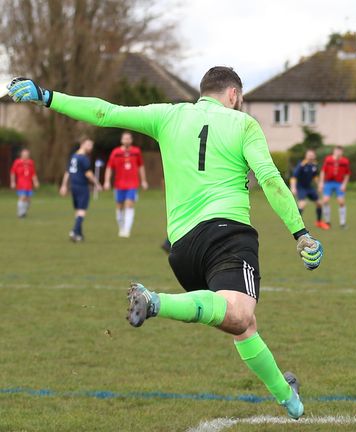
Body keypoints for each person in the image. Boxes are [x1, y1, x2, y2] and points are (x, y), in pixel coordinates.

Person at [8, 67, 324, 420]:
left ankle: (289, 399)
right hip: (227, 235)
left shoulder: (168, 115)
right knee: (239, 314)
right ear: (233, 95)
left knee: (241, 325)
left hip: (183, 250)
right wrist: (301, 233)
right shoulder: (244, 124)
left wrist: (47, 96)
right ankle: (154, 301)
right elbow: (269, 178)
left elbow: (105, 112)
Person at [103, 131, 149, 238]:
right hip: (119, 185)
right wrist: (106, 181)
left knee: (129, 205)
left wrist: (143, 180)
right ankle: (121, 227)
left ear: (131, 140)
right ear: (121, 140)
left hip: (132, 184)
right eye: (125, 138)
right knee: (119, 207)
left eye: (129, 138)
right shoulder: (116, 152)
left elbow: (141, 167)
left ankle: (127, 230)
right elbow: (109, 167)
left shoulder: (136, 152)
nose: (127, 140)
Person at [59, 137, 102, 242]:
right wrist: (97, 183)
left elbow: (67, 172)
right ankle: (74, 231)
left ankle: (79, 235)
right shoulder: (83, 158)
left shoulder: (73, 156)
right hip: (82, 187)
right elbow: (88, 173)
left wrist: (64, 185)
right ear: (82, 144)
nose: (90, 147)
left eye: (91, 145)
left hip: (73, 186)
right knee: (82, 211)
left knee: (78, 211)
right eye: (88, 145)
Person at [290, 149, 329, 230]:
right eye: (309, 155)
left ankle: (319, 222)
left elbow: (315, 176)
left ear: (314, 156)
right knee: (302, 204)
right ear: (306, 156)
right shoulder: (301, 165)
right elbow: (294, 177)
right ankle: (295, 224)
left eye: (312, 155)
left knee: (319, 203)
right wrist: (293, 187)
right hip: (301, 187)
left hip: (309, 187)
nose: (310, 157)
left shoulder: (314, 165)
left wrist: (319, 185)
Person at [319, 145, 350, 229]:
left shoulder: (345, 161)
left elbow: (347, 174)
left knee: (341, 202)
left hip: (339, 183)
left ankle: (342, 223)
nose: (338, 152)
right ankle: (327, 222)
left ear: (342, 152)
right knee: (325, 201)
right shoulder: (328, 159)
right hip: (328, 183)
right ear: (334, 151)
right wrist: (321, 183)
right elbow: (323, 171)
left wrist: (344, 184)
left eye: (340, 151)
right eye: (337, 151)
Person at [9, 148, 39, 218]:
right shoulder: (17, 162)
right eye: (24, 154)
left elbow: (33, 174)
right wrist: (12, 182)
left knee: (28, 200)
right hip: (21, 184)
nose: (26, 156)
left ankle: (24, 212)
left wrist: (36, 182)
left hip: (29, 184)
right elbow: (12, 172)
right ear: (21, 155)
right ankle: (20, 213)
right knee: (22, 197)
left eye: (27, 155)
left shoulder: (31, 163)